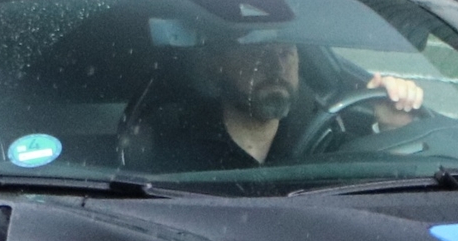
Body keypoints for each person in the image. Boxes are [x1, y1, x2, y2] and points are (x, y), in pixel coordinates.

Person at [126, 35, 424, 172]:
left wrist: (392, 127)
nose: (276, 68)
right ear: (218, 66)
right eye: (258, 54)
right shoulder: (173, 143)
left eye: (286, 54)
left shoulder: (323, 141)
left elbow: (390, 189)